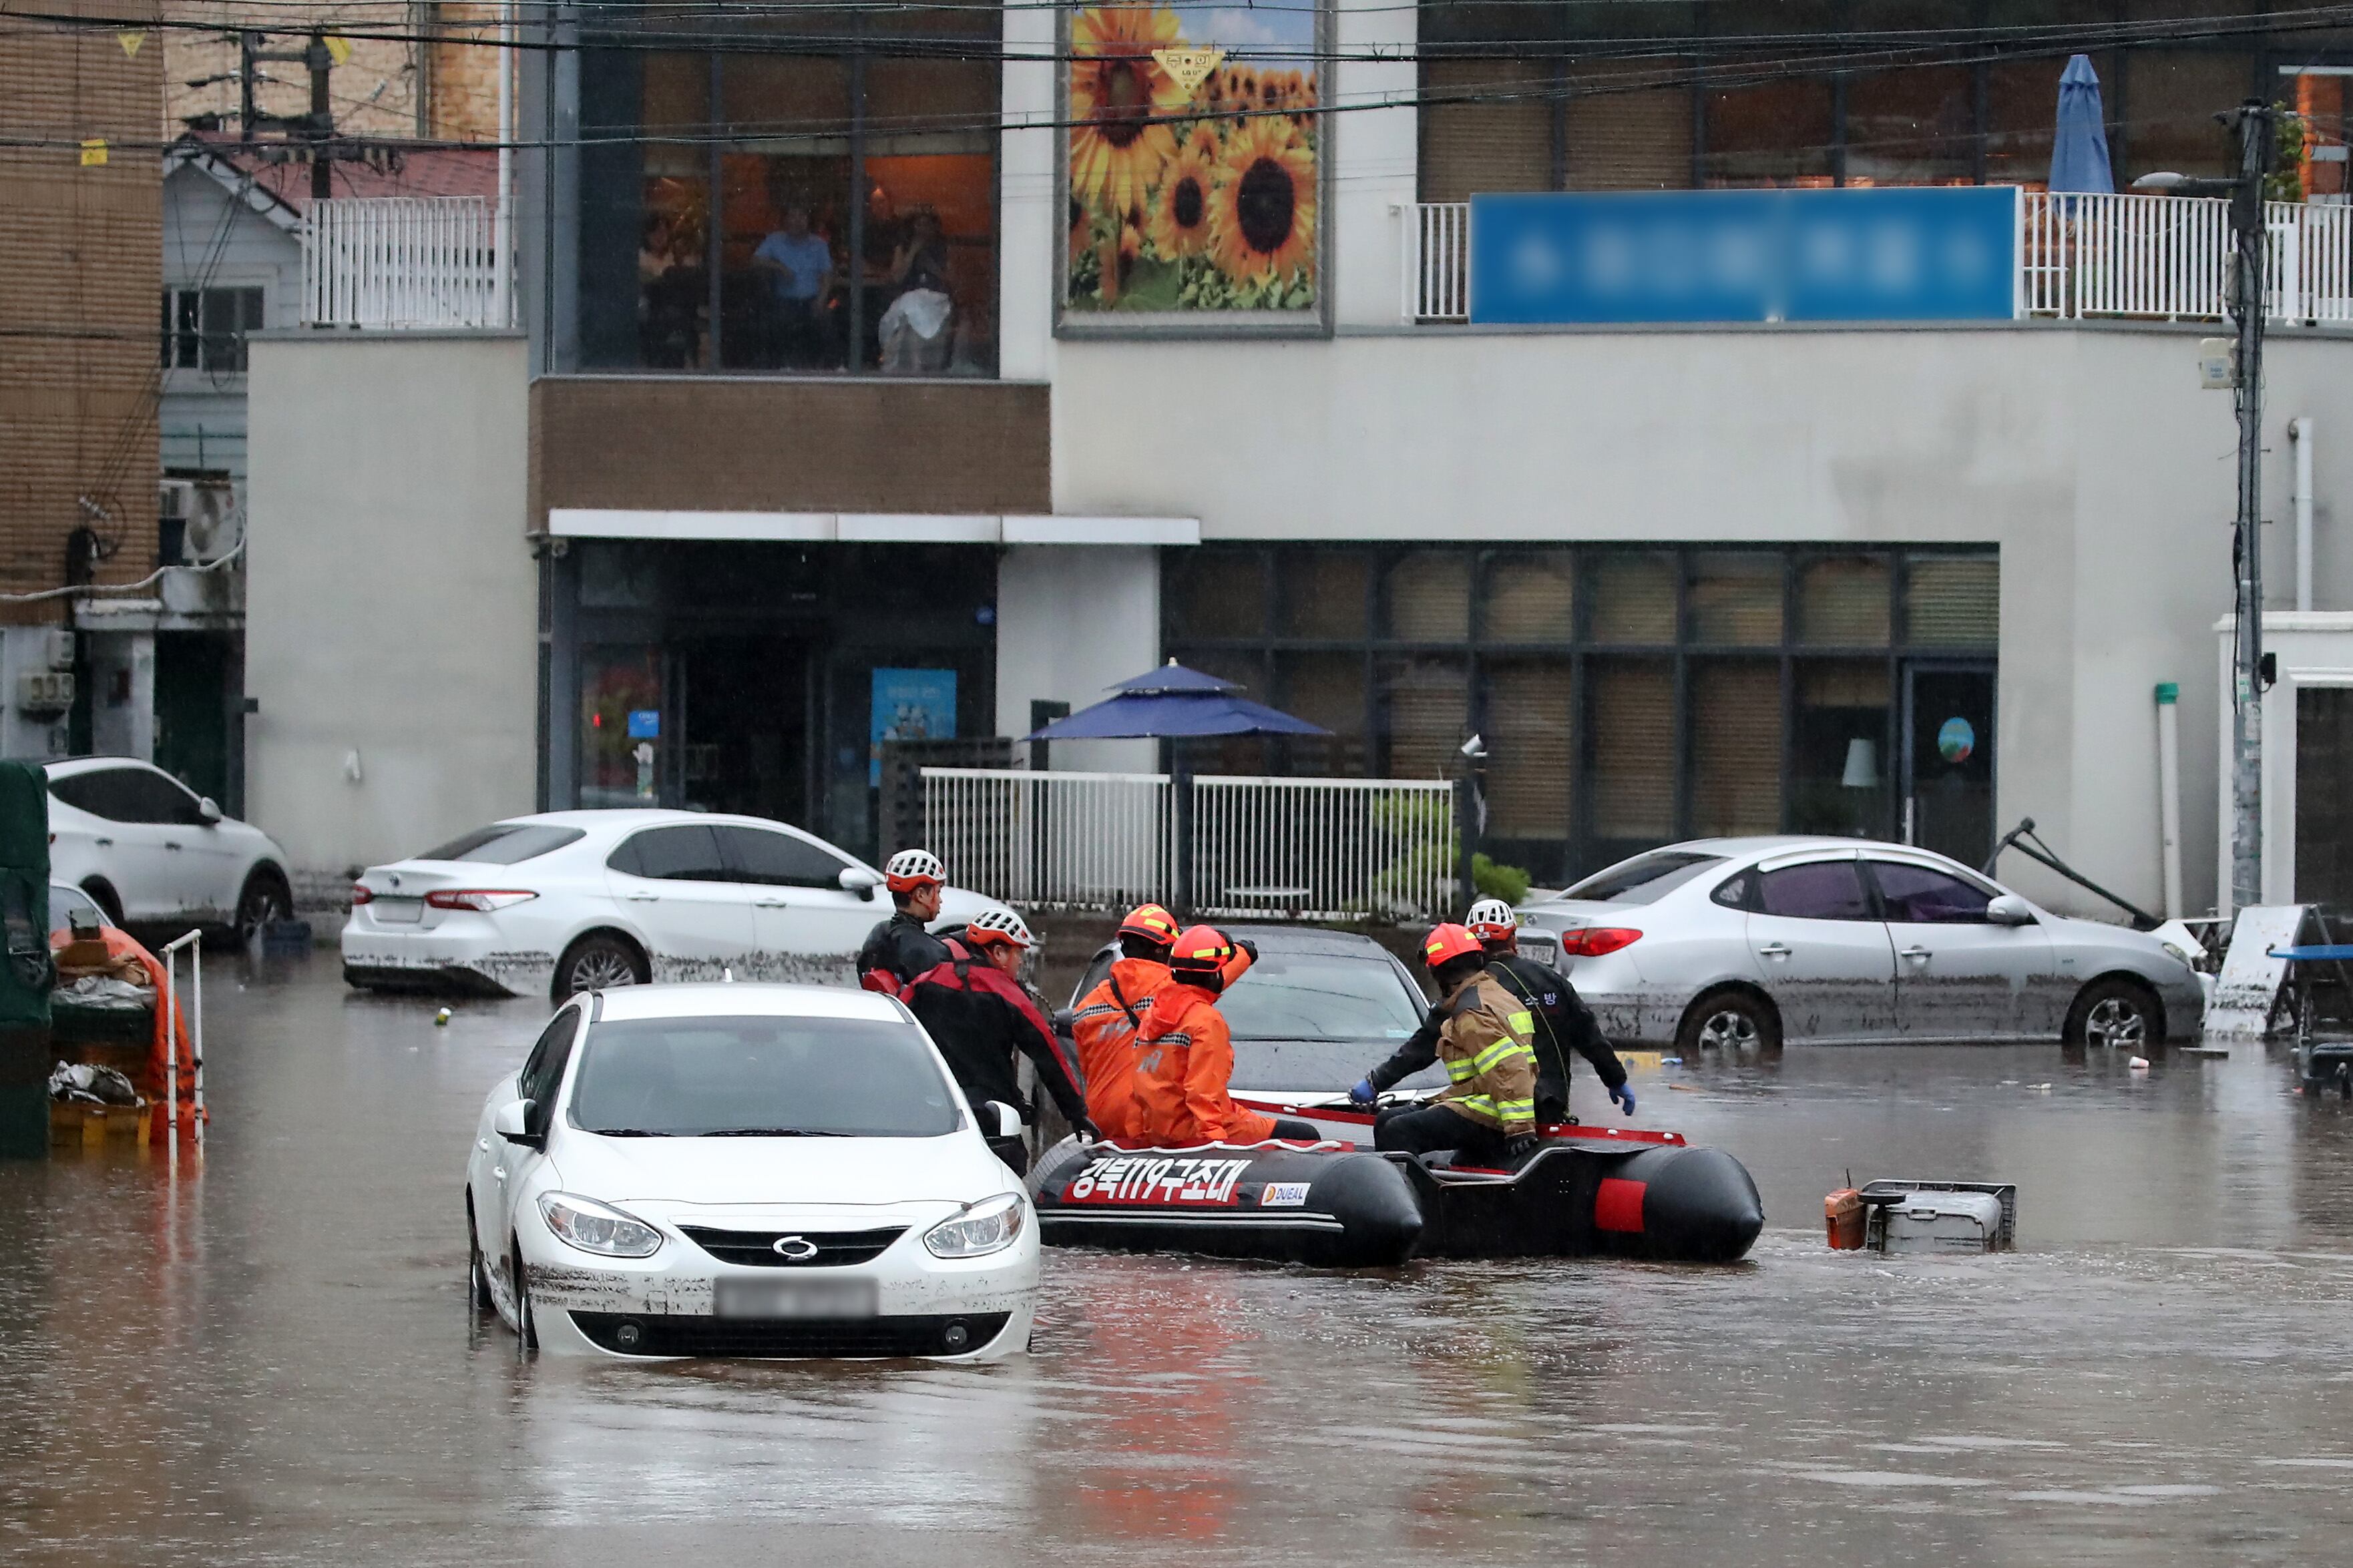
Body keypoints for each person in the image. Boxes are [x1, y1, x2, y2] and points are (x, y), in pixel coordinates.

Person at [1351, 896, 1635, 1124]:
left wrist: (1375, 1082)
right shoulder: (1552, 980)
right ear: (1514, 938)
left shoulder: (1466, 987)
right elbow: (1590, 1037)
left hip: (1493, 1114)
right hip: (1551, 1107)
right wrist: (1616, 1080)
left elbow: (1421, 1049)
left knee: (1399, 1125)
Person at [899, 909, 1094, 1174]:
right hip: (993, 1118)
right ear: (999, 953)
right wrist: (1076, 1112)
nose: (1021, 963)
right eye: (1018, 953)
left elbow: (899, 1028)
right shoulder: (1009, 994)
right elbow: (1048, 1054)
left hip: (935, 1112)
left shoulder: (927, 981)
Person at [1132, 925, 1323, 1147]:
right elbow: (1203, 1094)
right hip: (1200, 1130)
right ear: (1214, 973)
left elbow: (1140, 1086)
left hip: (1160, 1131)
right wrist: (1213, 1146)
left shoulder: (1152, 1016)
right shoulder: (1205, 1020)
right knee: (1305, 1134)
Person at [1371, 923, 1540, 1167]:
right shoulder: (1492, 992)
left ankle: (1410, 1199)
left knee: (1399, 1130)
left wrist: (1520, 1128)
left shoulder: (1471, 1012)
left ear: (1438, 973)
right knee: (1386, 1119)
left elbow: (1509, 1068)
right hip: (1491, 1101)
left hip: (1493, 1111)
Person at [1068, 903, 1181, 1141]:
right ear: (1165, 951)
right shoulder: (1175, 993)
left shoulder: (1088, 1006)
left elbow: (1087, 1069)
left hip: (1103, 1127)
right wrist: (1244, 953)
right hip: (1156, 1128)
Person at [856, 848, 952, 995]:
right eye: (937, 892)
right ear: (920, 895)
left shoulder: (878, 934)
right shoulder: (932, 952)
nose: (940, 900)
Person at [751, 203, 833, 368]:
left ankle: (830, 367)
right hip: (785, 300)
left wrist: (821, 300)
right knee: (779, 321)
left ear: (808, 220)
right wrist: (779, 267)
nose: (797, 221)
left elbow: (827, 275)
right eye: (792, 216)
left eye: (801, 216)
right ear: (786, 220)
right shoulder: (775, 240)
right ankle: (784, 365)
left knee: (827, 322)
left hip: (812, 299)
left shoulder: (819, 244)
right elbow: (755, 261)